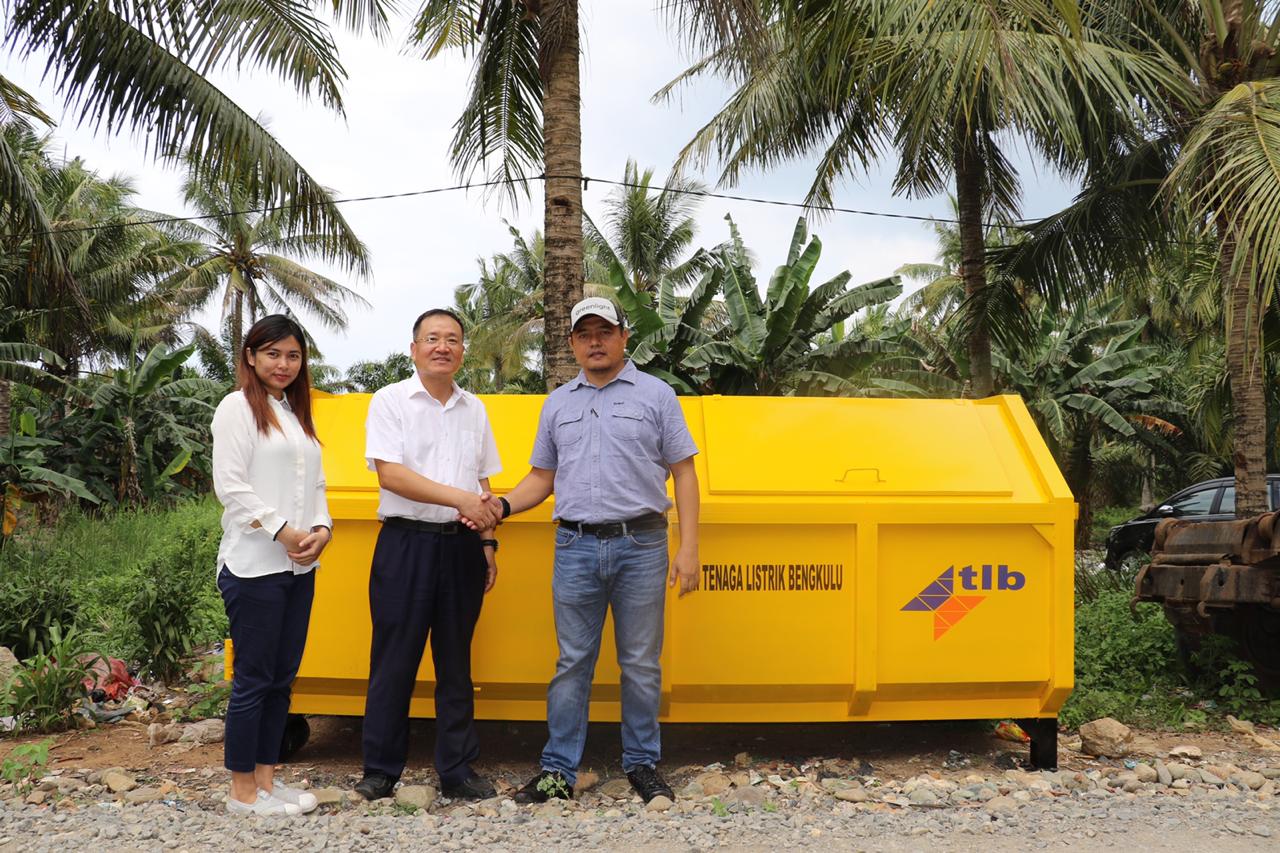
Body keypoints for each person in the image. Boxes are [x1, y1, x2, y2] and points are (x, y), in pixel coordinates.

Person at [468, 296, 700, 805]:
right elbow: (541, 479)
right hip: (574, 545)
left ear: (622, 336)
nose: (594, 341)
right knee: (572, 661)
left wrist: (690, 547)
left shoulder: (657, 395)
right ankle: (557, 772)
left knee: (640, 662)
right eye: (584, 334)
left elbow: (683, 470)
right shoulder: (558, 404)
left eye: (604, 331)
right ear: (572, 343)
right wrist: (500, 506)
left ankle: (642, 765)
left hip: (642, 543)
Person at [355, 308, 504, 802]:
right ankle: (380, 770)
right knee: (394, 660)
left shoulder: (475, 409)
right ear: (414, 348)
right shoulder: (390, 401)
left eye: (453, 339)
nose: (443, 346)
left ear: (463, 351)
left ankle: (458, 770)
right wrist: (460, 499)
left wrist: (487, 543)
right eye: (432, 338)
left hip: (461, 546)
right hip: (405, 544)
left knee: (456, 662)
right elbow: (390, 475)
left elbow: (483, 483)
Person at [211, 314, 331, 817]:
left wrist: (321, 532)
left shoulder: (296, 414)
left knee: (283, 679)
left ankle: (266, 779)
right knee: (255, 680)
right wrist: (283, 530)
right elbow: (231, 487)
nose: (283, 364)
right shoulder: (237, 409)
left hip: (299, 568)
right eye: (273, 354)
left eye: (293, 355)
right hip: (254, 566)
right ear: (251, 358)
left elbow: (317, 488)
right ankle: (242, 791)